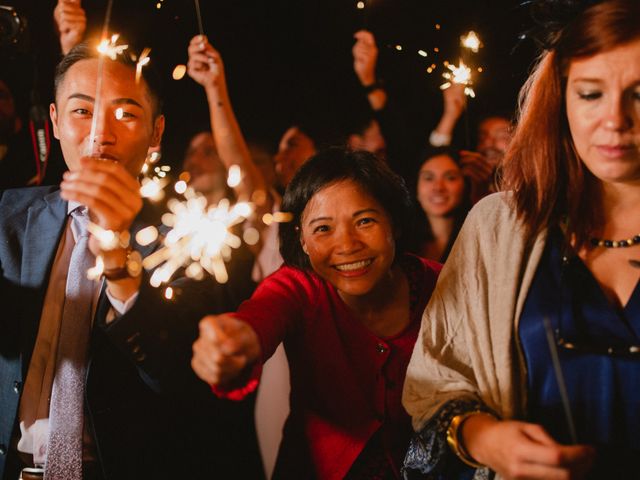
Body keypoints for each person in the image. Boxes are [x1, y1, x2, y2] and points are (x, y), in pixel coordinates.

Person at [0, 42, 263, 480]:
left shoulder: (191, 237)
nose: (101, 133)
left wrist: (119, 259)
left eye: (125, 113)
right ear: (55, 122)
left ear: (156, 133)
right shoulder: (10, 216)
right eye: (81, 111)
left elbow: (176, 373)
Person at [402, 0, 640, 478]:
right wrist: (483, 437)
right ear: (561, 98)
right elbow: (436, 381)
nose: (615, 119)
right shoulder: (497, 227)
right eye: (591, 94)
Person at [192, 148, 442, 479]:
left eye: (365, 221)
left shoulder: (440, 284)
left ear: (394, 223)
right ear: (303, 240)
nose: (348, 245)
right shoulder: (299, 286)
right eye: (323, 229)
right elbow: (261, 316)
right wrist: (234, 341)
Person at [411, 147, 470, 263]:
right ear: (416, 188)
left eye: (450, 178)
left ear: (465, 186)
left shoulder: (477, 241)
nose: (438, 187)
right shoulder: (401, 244)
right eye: (428, 178)